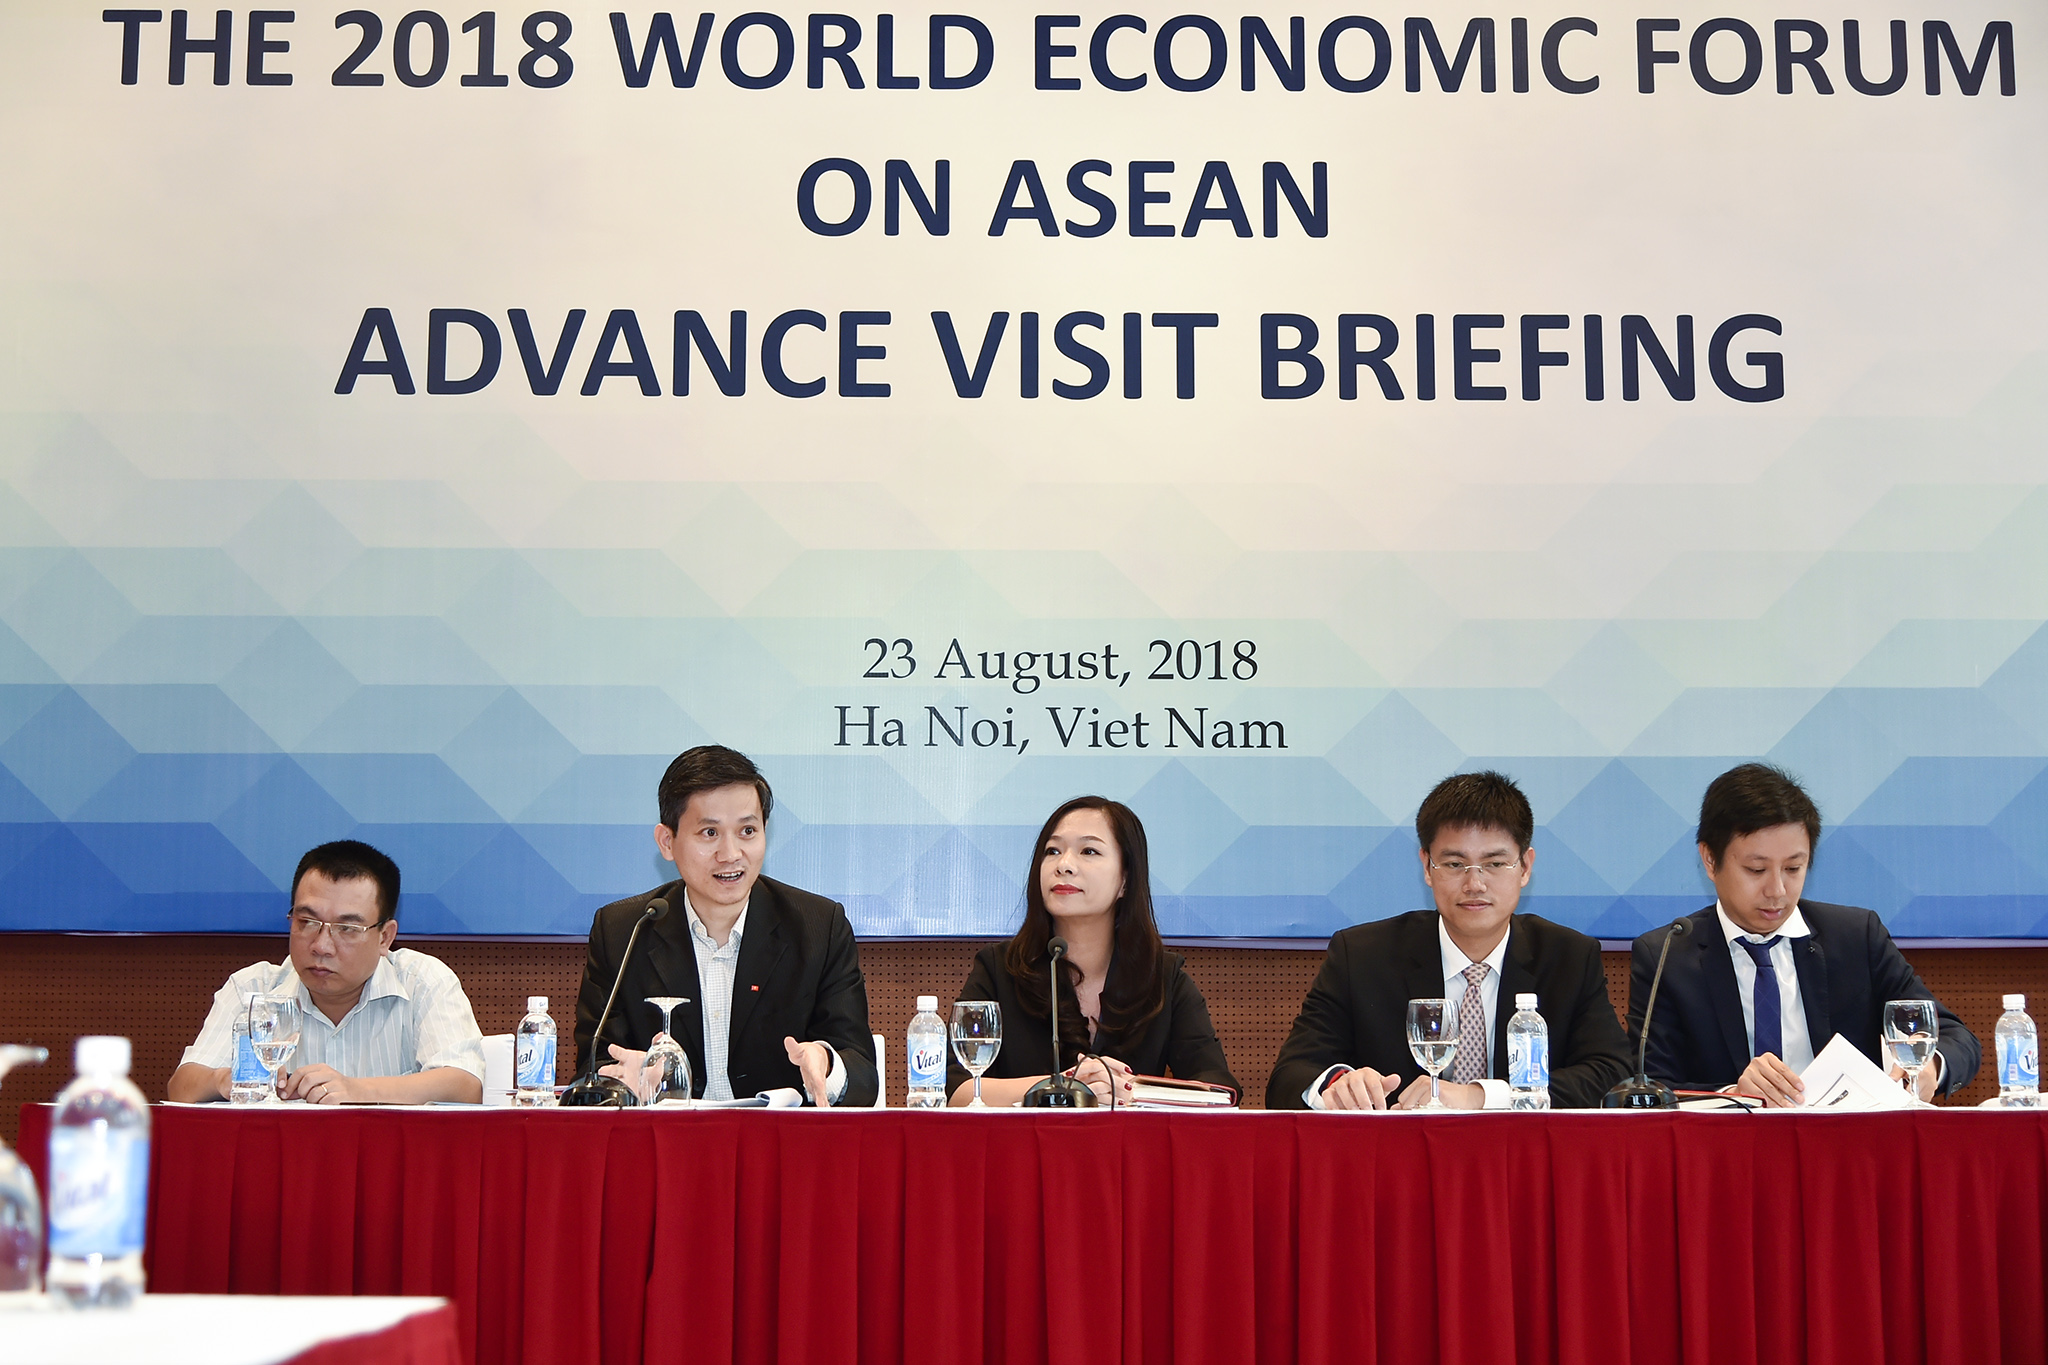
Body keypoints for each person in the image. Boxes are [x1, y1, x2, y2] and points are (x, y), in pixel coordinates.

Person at [1267, 771, 1631, 1110]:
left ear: (1525, 867)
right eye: (1455, 864)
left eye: (1495, 864)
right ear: (1427, 866)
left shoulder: (1569, 957)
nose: (1475, 884)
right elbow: (1289, 1077)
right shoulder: (1361, 956)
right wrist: (1337, 1084)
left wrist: (1481, 1095)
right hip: (1402, 1153)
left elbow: (1611, 1075)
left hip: (1521, 1153)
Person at [1629, 762, 1979, 1106]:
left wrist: (1931, 1068)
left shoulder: (1855, 938)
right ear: (1709, 859)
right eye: (1756, 869)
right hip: (1729, 1141)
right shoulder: (1667, 956)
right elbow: (1651, 1089)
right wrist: (1733, 1095)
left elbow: (1954, 1037)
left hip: (1846, 1138)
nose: (1777, 890)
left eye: (1793, 868)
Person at [577, 745, 878, 1106]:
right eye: (709, 833)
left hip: (777, 1138)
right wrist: (626, 1083)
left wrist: (827, 1066)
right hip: (666, 1138)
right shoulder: (624, 932)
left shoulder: (818, 928)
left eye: (747, 830)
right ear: (667, 842)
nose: (731, 854)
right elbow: (591, 1072)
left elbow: (862, 1076)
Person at [946, 796, 1238, 1106]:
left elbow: (1219, 1091)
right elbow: (953, 1089)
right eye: (1052, 851)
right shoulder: (999, 969)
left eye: (1089, 851)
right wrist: (1061, 1086)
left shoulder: (1163, 978)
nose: (1064, 865)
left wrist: (1127, 1090)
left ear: (1125, 880)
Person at [167, 840, 484, 1104]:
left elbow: (464, 1085)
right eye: (307, 922)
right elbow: (182, 1088)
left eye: (347, 928)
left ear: (384, 937)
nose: (321, 946)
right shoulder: (253, 989)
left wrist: (356, 1090)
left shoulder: (423, 981)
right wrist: (223, 1079)